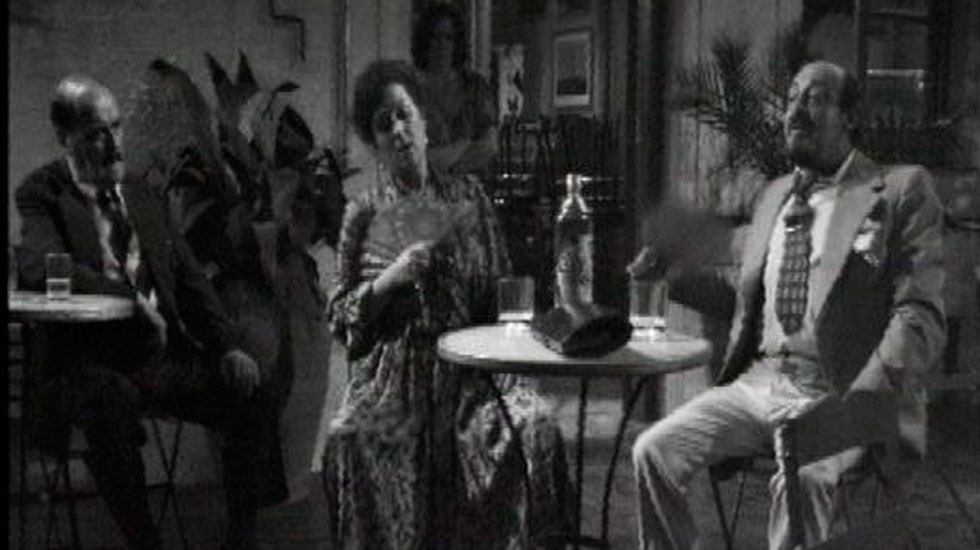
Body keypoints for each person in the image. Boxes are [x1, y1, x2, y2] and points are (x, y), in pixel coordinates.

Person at [629, 60, 946, 550]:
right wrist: (669, 277)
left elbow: (919, 314)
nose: (794, 112)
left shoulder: (900, 190)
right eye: (792, 98)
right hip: (764, 381)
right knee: (654, 451)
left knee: (804, 480)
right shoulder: (775, 195)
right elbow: (744, 301)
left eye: (815, 99)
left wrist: (862, 398)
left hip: (843, 389)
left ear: (849, 117)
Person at [15, 74, 288, 550]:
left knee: (251, 390)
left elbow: (190, 278)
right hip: (86, 361)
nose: (113, 144)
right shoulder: (43, 193)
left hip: (159, 358)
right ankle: (146, 543)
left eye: (116, 128)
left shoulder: (141, 194)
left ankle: (241, 540)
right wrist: (129, 301)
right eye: (96, 134)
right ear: (65, 138)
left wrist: (227, 346)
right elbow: (41, 268)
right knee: (111, 402)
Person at [321, 60, 570, 550]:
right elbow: (338, 314)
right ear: (375, 143)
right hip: (395, 380)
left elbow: (504, 295)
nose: (398, 130)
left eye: (403, 114)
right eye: (383, 124)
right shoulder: (363, 212)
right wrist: (387, 281)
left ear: (424, 123)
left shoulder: (471, 198)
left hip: (473, 373)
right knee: (348, 438)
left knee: (535, 426)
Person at [412, 3, 498, 175]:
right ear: (425, 40)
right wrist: (462, 146)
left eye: (448, 37)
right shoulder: (409, 88)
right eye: (435, 37)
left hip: (469, 184)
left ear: (457, 42)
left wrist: (449, 170)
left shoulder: (474, 85)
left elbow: (489, 146)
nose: (442, 44)